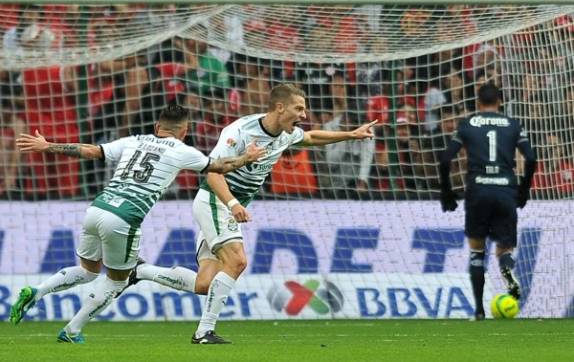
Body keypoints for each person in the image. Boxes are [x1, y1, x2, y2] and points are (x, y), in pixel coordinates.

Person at [118, 83, 377, 344]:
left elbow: (310, 138)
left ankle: (140, 272)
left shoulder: (285, 134)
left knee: (205, 284)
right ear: (279, 107)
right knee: (238, 262)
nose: (304, 115)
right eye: (299, 109)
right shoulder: (240, 131)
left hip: (228, 205)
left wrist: (352, 135)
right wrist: (233, 204)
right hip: (215, 200)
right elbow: (212, 172)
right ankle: (204, 332)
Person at [9, 104, 265, 343]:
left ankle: (38, 290)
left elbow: (91, 150)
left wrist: (48, 145)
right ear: (185, 131)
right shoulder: (183, 151)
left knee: (88, 270)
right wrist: (246, 157)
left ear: (157, 127)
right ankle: (72, 330)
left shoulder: (134, 141)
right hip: (124, 218)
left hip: (97, 208)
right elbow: (219, 167)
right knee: (118, 280)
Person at [439, 83, 537, 321]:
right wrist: (523, 190)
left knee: (477, 251)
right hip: (505, 190)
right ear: (500, 102)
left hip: (478, 190)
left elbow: (445, 159)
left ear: (478, 102)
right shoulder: (513, 125)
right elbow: (531, 158)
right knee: (505, 247)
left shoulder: (468, 124)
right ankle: (505, 265)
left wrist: (447, 192)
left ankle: (479, 311)